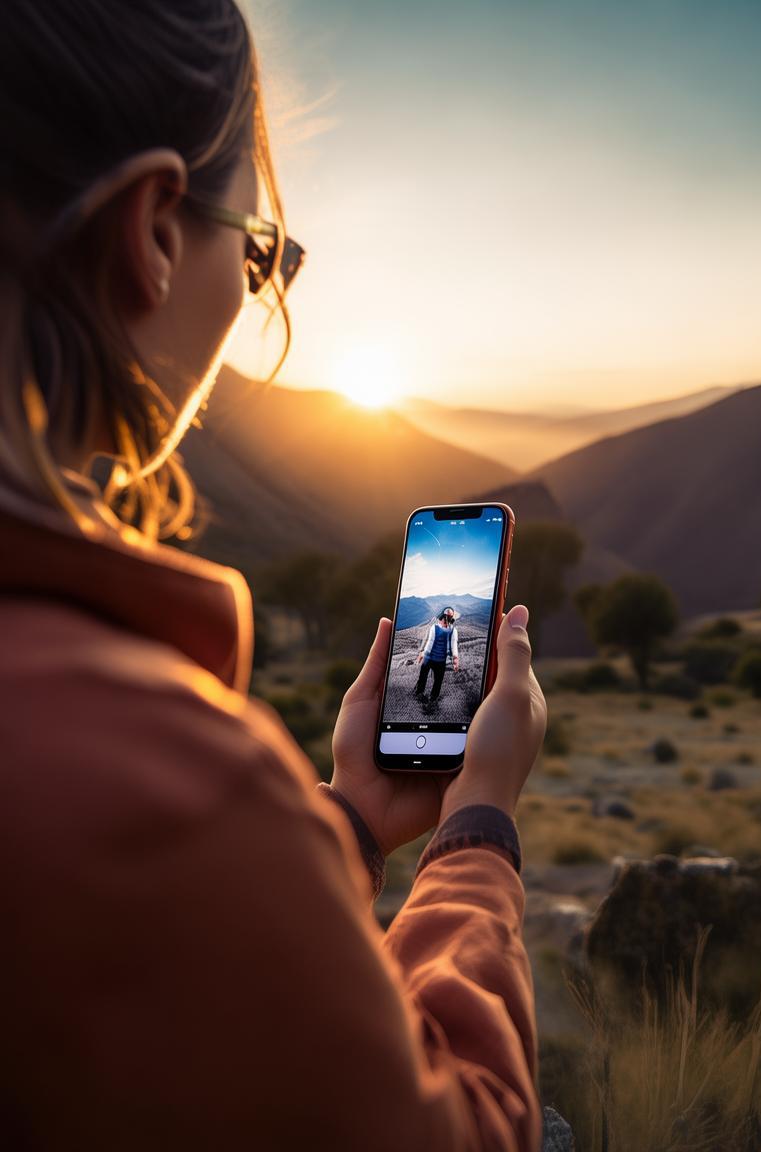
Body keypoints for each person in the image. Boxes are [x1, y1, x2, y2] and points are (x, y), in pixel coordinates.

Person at [0, 3, 548, 1149]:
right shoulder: (160, 776)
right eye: (259, 250)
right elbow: (464, 1132)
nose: (258, 293)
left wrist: (345, 819)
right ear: (151, 229)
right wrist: (478, 828)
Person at [415, 606, 460, 706]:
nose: (445, 621)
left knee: (438, 681)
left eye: (448, 619)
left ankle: (433, 699)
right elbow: (429, 643)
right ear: (441, 617)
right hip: (429, 658)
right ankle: (419, 693)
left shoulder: (453, 631)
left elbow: (454, 646)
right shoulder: (434, 628)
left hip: (440, 660)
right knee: (423, 676)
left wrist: (455, 659)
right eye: (444, 618)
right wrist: (424, 654)